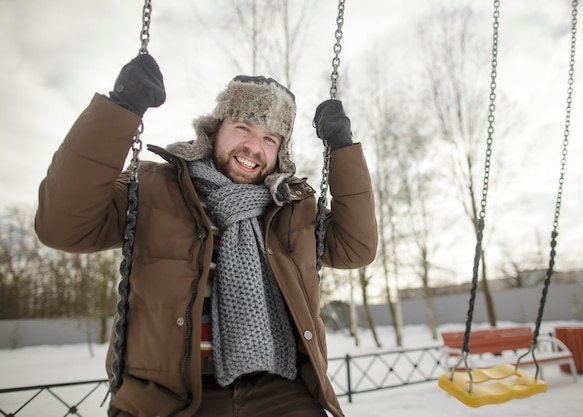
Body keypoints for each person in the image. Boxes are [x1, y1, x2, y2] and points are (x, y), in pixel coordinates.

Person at [35, 54, 377, 417]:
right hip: (171, 398)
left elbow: (356, 249)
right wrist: (121, 109)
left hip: (281, 389)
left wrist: (341, 148)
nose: (253, 148)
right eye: (243, 128)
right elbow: (62, 226)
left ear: (280, 150)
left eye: (270, 138)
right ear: (215, 129)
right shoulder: (154, 187)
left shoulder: (292, 206)